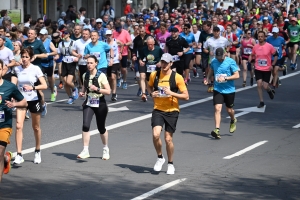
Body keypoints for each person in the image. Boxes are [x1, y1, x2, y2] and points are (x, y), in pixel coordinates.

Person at [147, 53, 189, 175]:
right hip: (158, 109)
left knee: (168, 139)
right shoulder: (154, 75)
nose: (164, 65)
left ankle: (170, 163)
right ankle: (160, 157)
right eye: (162, 62)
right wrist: (151, 94)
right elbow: (149, 87)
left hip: (172, 110)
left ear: (171, 63)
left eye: (166, 63)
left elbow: (186, 96)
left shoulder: (177, 77)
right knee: (155, 135)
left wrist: (171, 93)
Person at [13, 47, 48, 164]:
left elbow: (44, 85)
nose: (24, 59)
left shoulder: (35, 69)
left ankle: (37, 150)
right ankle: (19, 154)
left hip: (33, 100)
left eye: (26, 57)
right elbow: (13, 84)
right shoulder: (17, 69)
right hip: (22, 101)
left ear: (31, 58)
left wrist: (33, 87)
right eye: (22, 56)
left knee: (36, 127)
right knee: (18, 126)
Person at [77, 55, 111, 160]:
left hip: (100, 103)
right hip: (89, 102)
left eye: (91, 63)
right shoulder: (85, 75)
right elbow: (84, 88)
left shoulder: (101, 75)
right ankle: (85, 150)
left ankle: (105, 149)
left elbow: (108, 91)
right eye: (87, 63)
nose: (89, 65)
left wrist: (97, 89)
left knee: (101, 128)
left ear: (96, 63)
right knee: (85, 125)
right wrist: (82, 93)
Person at [0, 59, 27, 182]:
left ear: (2, 70)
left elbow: (24, 102)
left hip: (4, 124)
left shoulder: (9, 86)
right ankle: (6, 158)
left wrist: (14, 104)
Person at [204, 48, 239, 139]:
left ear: (224, 54)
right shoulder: (214, 61)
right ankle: (217, 130)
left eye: (221, 57)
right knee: (217, 108)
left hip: (229, 90)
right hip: (218, 89)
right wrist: (207, 78)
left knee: (229, 110)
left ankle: (232, 119)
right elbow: (211, 71)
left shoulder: (231, 62)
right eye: (218, 57)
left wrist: (226, 78)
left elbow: (237, 75)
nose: (219, 59)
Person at [249, 31, 278, 108]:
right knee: (259, 84)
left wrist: (273, 64)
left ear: (265, 37)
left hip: (267, 69)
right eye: (259, 37)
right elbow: (252, 55)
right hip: (258, 68)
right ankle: (261, 101)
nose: (260, 38)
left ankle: (269, 90)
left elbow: (276, 55)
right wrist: (250, 59)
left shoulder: (269, 46)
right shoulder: (255, 47)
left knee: (265, 86)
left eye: (262, 36)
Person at [23, 29, 48, 116]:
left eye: (31, 33)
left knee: (38, 90)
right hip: (25, 69)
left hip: (36, 70)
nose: (29, 35)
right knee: (24, 88)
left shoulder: (38, 43)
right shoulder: (25, 43)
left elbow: (45, 54)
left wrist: (36, 55)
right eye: (28, 33)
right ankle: (26, 108)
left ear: (35, 35)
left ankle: (43, 104)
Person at [56, 30, 79, 104]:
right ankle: (70, 97)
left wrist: (77, 57)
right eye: (63, 34)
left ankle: (74, 89)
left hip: (72, 62)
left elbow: (77, 52)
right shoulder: (60, 43)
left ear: (69, 34)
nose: (64, 35)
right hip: (64, 62)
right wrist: (56, 57)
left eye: (65, 33)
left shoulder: (74, 42)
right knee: (65, 83)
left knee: (69, 81)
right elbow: (59, 54)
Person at [139, 37, 164, 102]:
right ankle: (143, 94)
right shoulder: (143, 49)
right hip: (146, 66)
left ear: (154, 43)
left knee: (151, 83)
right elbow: (140, 58)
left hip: (155, 67)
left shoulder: (158, 49)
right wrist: (141, 61)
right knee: (142, 76)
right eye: (148, 44)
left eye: (151, 44)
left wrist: (160, 62)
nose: (150, 46)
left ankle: (152, 93)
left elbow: (164, 58)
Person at [39, 29, 58, 102]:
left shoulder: (49, 43)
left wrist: (48, 54)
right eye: (40, 35)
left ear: (46, 35)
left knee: (50, 80)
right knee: (40, 79)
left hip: (49, 63)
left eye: (43, 35)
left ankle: (53, 91)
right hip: (41, 63)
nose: (41, 36)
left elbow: (55, 52)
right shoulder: (38, 42)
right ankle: (40, 95)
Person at [104, 30, 122, 102]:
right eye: (107, 35)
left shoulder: (116, 41)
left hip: (115, 61)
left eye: (110, 35)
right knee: (109, 78)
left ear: (112, 35)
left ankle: (114, 94)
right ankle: (111, 89)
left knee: (113, 76)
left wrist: (120, 53)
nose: (109, 36)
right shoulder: (104, 42)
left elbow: (122, 44)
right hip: (107, 62)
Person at [113, 22, 132, 89]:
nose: (118, 31)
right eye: (117, 29)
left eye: (119, 29)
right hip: (116, 52)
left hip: (124, 52)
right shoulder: (114, 32)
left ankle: (124, 81)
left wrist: (125, 44)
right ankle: (118, 79)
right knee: (117, 67)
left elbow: (130, 41)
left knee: (123, 68)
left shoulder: (125, 32)